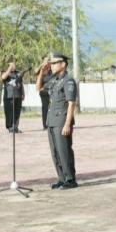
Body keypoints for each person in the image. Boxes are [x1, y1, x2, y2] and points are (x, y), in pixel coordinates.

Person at [36, 52, 78, 190]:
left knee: (64, 151)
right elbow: (39, 88)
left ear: (63, 64)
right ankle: (61, 178)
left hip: (62, 120)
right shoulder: (54, 80)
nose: (52, 66)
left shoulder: (69, 81)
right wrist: (42, 73)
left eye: (55, 63)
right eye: (51, 63)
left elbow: (71, 104)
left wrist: (67, 124)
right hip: (52, 120)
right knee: (55, 152)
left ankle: (70, 179)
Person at [1, 62, 25, 133]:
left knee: (17, 112)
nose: (14, 66)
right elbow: (3, 77)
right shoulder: (4, 72)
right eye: (12, 65)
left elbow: (21, 83)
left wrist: (23, 93)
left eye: (14, 65)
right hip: (9, 96)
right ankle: (10, 127)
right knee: (9, 112)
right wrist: (9, 68)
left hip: (18, 95)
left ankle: (15, 127)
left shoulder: (18, 73)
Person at [35, 55, 54, 130]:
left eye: (48, 60)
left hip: (52, 91)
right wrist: (42, 65)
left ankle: (52, 123)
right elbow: (35, 72)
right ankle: (45, 125)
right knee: (45, 108)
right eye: (46, 60)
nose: (47, 62)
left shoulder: (52, 69)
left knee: (52, 108)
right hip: (44, 92)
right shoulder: (42, 70)